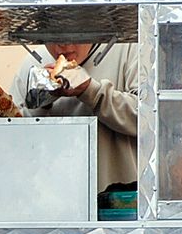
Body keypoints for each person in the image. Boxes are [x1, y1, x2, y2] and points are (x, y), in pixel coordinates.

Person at [9, 42, 138, 191]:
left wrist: (91, 91)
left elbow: (149, 119)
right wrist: (41, 104)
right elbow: (14, 143)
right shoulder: (33, 63)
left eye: (74, 35)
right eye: (52, 38)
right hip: (52, 199)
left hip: (118, 202)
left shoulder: (127, 47)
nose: (62, 45)